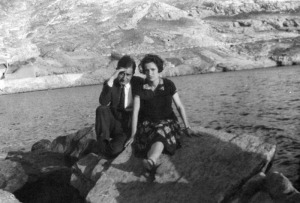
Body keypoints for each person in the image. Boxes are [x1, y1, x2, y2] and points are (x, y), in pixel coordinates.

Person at [125, 54, 195, 173]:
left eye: (153, 70)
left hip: (168, 122)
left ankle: (151, 160)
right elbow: (135, 111)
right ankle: (151, 161)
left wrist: (187, 126)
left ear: (159, 69)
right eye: (146, 70)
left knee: (161, 130)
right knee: (156, 132)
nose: (150, 73)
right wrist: (133, 134)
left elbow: (179, 106)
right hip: (147, 124)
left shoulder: (168, 85)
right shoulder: (140, 87)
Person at [95, 55, 144, 158]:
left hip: (128, 125)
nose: (124, 78)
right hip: (114, 122)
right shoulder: (111, 83)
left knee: (114, 150)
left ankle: (107, 149)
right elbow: (103, 102)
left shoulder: (139, 83)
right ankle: (102, 145)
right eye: (121, 74)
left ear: (133, 74)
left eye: (128, 75)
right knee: (102, 109)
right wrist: (112, 78)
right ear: (117, 71)